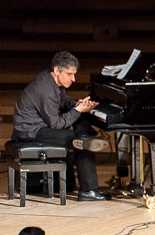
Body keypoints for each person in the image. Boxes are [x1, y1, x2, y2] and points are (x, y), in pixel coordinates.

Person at [10, 52, 109, 202]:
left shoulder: (52, 82)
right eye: (69, 74)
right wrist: (77, 111)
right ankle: (89, 190)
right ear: (57, 71)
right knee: (80, 140)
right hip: (30, 132)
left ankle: (84, 138)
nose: (73, 79)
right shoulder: (46, 90)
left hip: (40, 128)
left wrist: (78, 105)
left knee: (81, 123)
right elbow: (56, 124)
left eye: (74, 74)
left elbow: (63, 103)